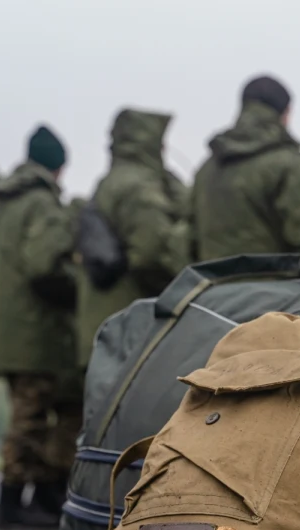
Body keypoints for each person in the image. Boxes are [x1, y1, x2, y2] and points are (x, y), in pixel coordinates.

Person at [0, 125, 77, 529]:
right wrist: (74, 288)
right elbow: (42, 265)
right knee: (30, 417)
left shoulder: (1, 202)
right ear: (59, 167)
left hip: (0, 326)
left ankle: (19, 499)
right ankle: (12, 503)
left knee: (23, 411)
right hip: (33, 326)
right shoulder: (42, 204)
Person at [76, 108, 191, 367]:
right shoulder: (139, 189)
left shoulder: (110, 181)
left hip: (108, 327)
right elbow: (152, 255)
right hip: (132, 334)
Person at [189, 75, 300, 260]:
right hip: (275, 286)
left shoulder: (207, 167)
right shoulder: (289, 164)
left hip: (213, 285)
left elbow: (187, 238)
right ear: (286, 113)